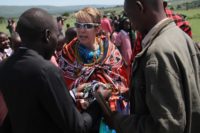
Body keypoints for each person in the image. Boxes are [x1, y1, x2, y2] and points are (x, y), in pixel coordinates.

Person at [99, 0, 200, 133]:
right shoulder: (181, 37)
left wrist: (118, 120)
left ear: (139, 7)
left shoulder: (157, 54)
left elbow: (166, 127)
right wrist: (135, 92)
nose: (131, 24)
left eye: (129, 16)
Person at [0, 8, 104, 133]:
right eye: (57, 35)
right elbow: (77, 127)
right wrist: (98, 103)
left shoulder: (5, 66)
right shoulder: (46, 70)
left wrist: (71, 95)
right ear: (47, 35)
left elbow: (29, 108)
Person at [58, 7, 129, 133]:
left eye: (87, 26)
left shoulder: (110, 50)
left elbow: (121, 80)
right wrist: (89, 89)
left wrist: (106, 90)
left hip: (110, 112)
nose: (81, 30)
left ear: (97, 28)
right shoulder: (68, 53)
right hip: (82, 115)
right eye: (78, 25)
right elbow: (64, 87)